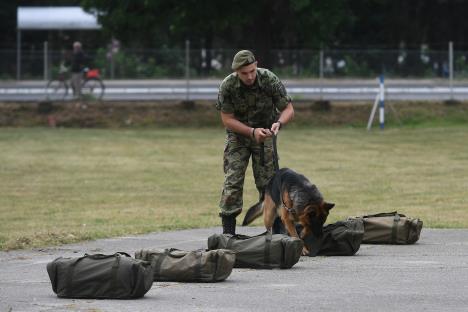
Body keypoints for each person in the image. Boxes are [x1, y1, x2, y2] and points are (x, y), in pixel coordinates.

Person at [215, 50, 294, 235]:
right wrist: (251, 132)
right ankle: (228, 235)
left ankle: (278, 235)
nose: (249, 76)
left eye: (252, 70)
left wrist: (279, 123)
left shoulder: (269, 79)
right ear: (236, 72)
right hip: (238, 137)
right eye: (244, 73)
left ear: (256, 64)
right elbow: (227, 119)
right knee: (232, 181)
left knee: (269, 184)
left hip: (265, 134)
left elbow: (288, 109)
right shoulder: (228, 86)